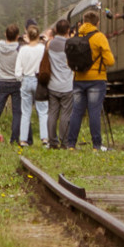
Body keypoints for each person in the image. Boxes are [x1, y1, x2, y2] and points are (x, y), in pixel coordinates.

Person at [63, 7, 115, 152]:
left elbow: (69, 62)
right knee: (94, 112)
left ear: (83, 22)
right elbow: (110, 61)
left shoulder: (75, 37)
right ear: (97, 23)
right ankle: (96, 146)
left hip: (78, 79)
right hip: (96, 80)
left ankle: (71, 145)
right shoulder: (99, 37)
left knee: (77, 112)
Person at [43, 18, 75, 149]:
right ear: (68, 30)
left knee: (52, 114)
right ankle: (65, 142)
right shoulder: (70, 44)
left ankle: (52, 141)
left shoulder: (49, 44)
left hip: (52, 84)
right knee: (65, 115)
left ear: (56, 30)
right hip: (67, 85)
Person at [15, 27, 48, 146]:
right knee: (43, 111)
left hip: (26, 80)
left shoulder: (23, 50)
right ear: (38, 36)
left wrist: (21, 78)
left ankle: (23, 139)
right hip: (39, 80)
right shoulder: (43, 48)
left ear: (28, 36)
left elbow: (18, 69)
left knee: (25, 112)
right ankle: (45, 138)